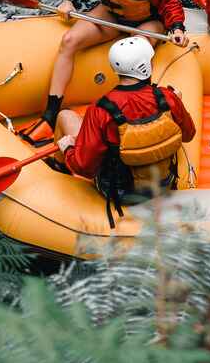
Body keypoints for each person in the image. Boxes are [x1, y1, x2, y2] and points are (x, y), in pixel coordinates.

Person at [42, 0, 186, 130]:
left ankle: (141, 113)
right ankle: (50, 114)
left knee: (135, 54)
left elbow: (169, 0)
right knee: (69, 40)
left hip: (148, 21)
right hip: (114, 14)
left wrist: (176, 27)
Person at [55, 36, 197, 225]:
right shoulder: (167, 97)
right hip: (163, 184)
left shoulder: (100, 109)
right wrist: (177, 102)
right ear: (145, 66)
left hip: (120, 193)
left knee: (65, 116)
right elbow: (188, 135)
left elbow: (85, 168)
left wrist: (68, 149)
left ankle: (58, 169)